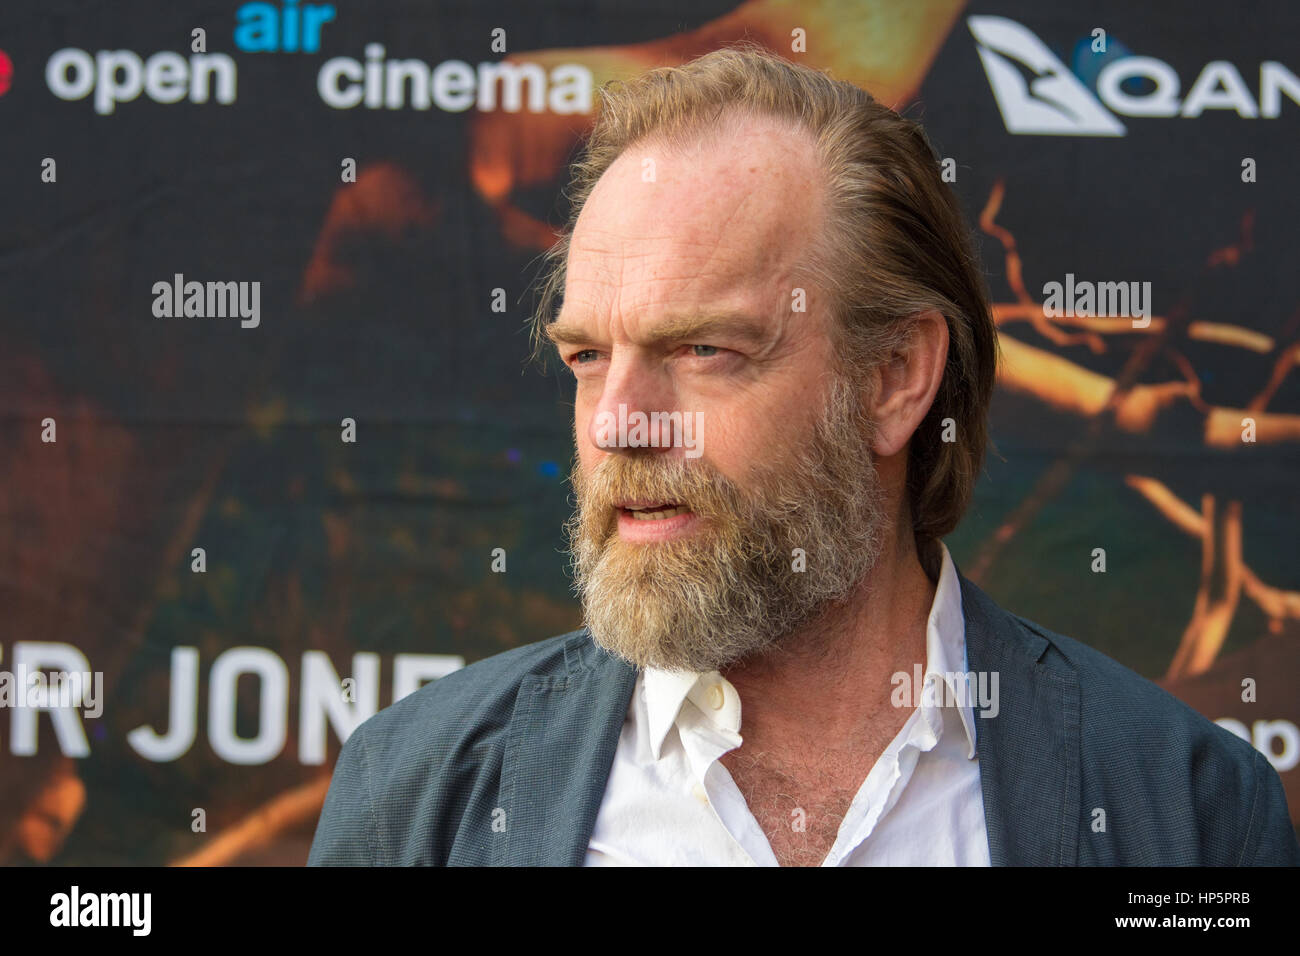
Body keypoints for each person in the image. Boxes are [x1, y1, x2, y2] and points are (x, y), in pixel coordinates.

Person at [307, 44, 1298, 866]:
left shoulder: (1191, 814)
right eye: (587, 356)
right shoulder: (417, 798)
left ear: (894, 377)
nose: (618, 422)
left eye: (702, 349)